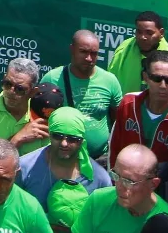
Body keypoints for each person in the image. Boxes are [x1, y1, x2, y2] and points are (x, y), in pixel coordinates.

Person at [39, 31, 122, 159]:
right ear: (72, 49)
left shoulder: (110, 81)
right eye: (83, 52)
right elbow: (39, 119)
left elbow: (118, 120)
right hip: (60, 158)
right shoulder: (52, 78)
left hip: (99, 159)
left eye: (94, 53)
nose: (89, 58)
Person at [109, 51, 168, 165]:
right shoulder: (128, 103)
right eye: (156, 78)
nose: (162, 85)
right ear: (145, 77)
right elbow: (114, 146)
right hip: (125, 179)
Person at [108, 11, 168, 93]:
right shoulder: (124, 49)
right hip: (124, 103)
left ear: (161, 33)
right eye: (139, 32)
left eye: (149, 33)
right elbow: (110, 79)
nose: (143, 37)